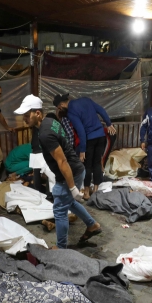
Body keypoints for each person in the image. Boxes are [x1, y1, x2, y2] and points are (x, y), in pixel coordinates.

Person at [15, 95, 101, 249]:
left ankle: (61, 248)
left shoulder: (45, 134)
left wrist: (72, 187)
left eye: (27, 116)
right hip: (75, 169)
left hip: (70, 171)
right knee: (69, 203)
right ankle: (92, 225)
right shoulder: (50, 121)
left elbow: (62, 161)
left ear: (38, 113)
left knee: (60, 209)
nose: (25, 119)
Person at [55, 95, 116, 200]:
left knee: (87, 166)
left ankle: (87, 192)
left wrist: (82, 150)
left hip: (90, 139)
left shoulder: (71, 112)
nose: (61, 110)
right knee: (97, 163)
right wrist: (109, 123)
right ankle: (96, 191)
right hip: (101, 136)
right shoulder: (86, 99)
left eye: (60, 108)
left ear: (62, 104)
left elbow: (81, 131)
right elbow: (101, 110)